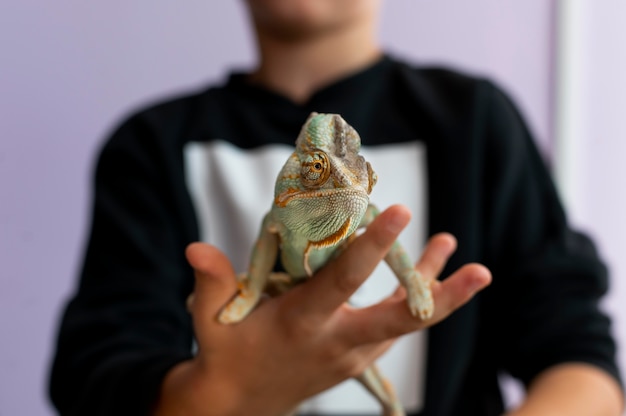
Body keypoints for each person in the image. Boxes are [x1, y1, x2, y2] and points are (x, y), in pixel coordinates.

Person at [49, 1, 623, 415]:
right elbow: (94, 375)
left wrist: (414, 285)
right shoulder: (153, 143)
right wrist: (225, 394)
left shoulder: (472, 119)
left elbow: (581, 359)